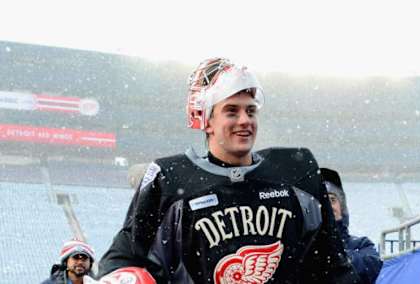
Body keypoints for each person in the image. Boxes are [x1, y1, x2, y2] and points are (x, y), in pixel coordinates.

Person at [92, 58, 360, 283]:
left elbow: (333, 265)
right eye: (231, 111)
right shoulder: (170, 179)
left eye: (251, 111)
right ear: (207, 120)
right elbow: (123, 258)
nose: (245, 120)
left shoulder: (296, 173)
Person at [321, 168, 383, 284]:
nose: (328, 206)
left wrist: (338, 255)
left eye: (332, 200)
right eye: (323, 201)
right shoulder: (305, 247)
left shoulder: (361, 244)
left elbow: (373, 267)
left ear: (342, 208)